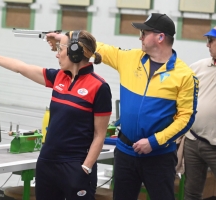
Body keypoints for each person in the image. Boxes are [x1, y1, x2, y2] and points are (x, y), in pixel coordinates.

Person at [46, 13, 198, 200]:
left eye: (144, 32)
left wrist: (153, 142)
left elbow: (186, 118)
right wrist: (65, 37)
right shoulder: (130, 59)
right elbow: (95, 47)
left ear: (160, 37)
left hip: (159, 157)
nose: (140, 37)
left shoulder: (184, 75)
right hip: (125, 154)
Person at [0, 30, 112, 200]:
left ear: (75, 52)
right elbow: (20, 67)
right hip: (47, 163)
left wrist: (86, 168)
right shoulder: (59, 77)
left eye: (61, 48)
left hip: (75, 165)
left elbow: (99, 135)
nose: (57, 54)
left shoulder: (99, 87)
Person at [183, 27, 216, 200]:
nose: (207, 45)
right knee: (191, 192)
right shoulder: (198, 67)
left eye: (211, 41)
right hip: (193, 139)